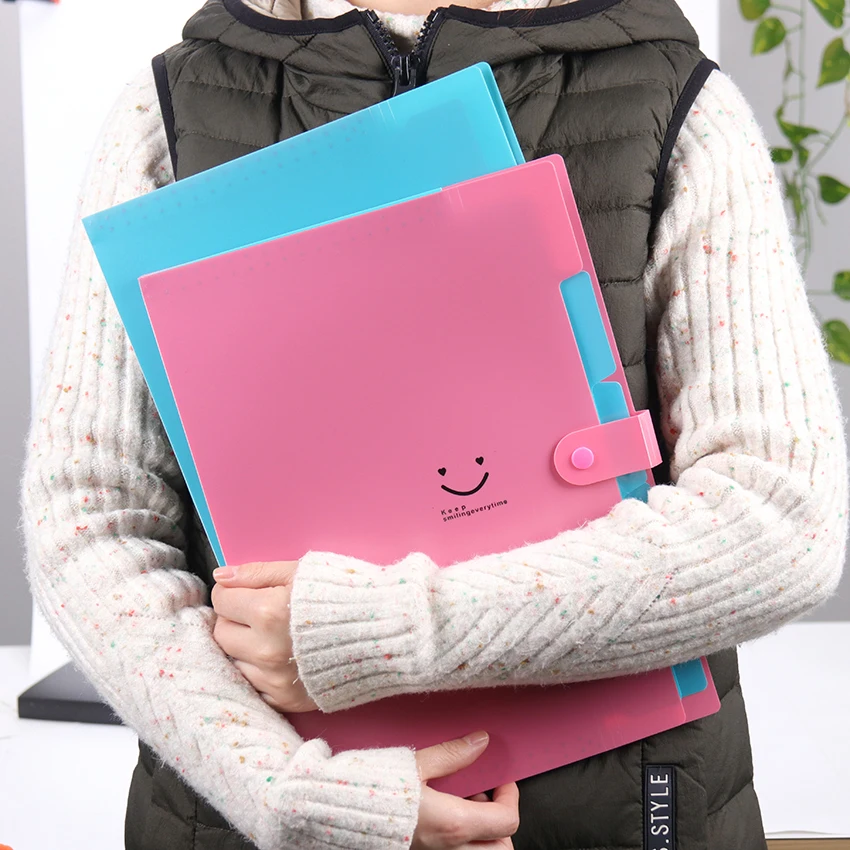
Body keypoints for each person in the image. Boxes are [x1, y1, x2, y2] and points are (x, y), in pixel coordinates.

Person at [20, 0, 848, 848]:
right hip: (244, 820)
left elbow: (781, 516)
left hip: (626, 813)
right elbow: (88, 519)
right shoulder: (167, 111)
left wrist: (388, 631)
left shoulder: (676, 104)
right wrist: (287, 790)